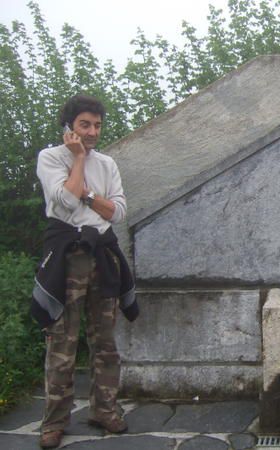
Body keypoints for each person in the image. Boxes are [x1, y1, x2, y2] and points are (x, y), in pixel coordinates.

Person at [32, 94, 139, 449]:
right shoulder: (51, 158)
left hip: (102, 256)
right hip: (67, 258)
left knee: (105, 343)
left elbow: (118, 212)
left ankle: (104, 410)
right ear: (70, 127)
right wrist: (77, 159)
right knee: (62, 343)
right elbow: (64, 200)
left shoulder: (107, 164)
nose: (92, 132)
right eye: (85, 125)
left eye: (96, 125)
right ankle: (54, 422)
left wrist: (90, 196)